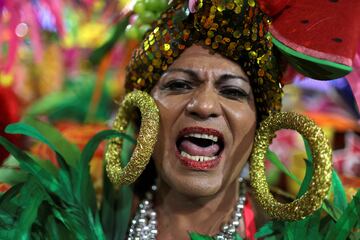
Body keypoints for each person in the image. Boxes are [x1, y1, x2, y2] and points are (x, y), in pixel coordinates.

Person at [0, 0, 358, 239]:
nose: (204, 105)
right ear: (141, 112)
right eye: (180, 84)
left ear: (262, 127)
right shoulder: (72, 219)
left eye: (232, 92)